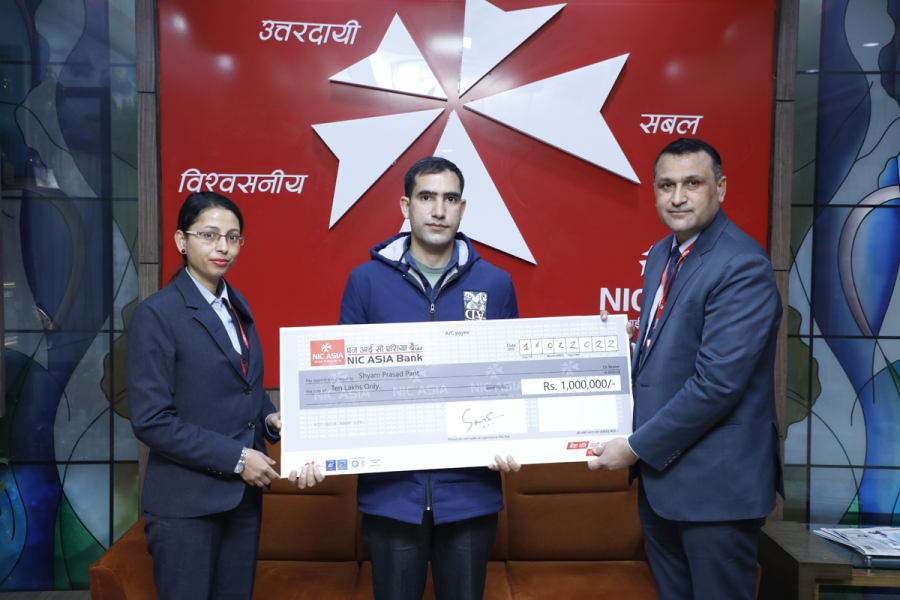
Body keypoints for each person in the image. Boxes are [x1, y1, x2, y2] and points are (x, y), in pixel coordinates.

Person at [589, 138, 784, 600]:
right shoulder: (663, 254)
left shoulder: (742, 265)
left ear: (721, 187)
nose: (677, 197)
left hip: (717, 489)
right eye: (666, 185)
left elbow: (717, 385)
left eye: (692, 183)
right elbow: (673, 352)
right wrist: (618, 348)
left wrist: (634, 447)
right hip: (664, 484)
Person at [339, 156, 520, 600]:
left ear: (462, 208)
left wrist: (517, 436)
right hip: (391, 496)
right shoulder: (364, 281)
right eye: (426, 197)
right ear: (406, 206)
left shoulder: (497, 284)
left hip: (470, 495)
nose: (438, 210)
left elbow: (509, 381)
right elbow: (345, 383)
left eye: (450, 199)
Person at [127, 191, 320, 600]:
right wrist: (238, 458)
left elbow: (245, 386)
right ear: (181, 240)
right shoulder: (157, 314)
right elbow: (151, 421)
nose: (223, 247)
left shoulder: (236, 305)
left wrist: (269, 418)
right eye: (210, 235)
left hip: (242, 502)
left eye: (233, 238)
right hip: (186, 505)